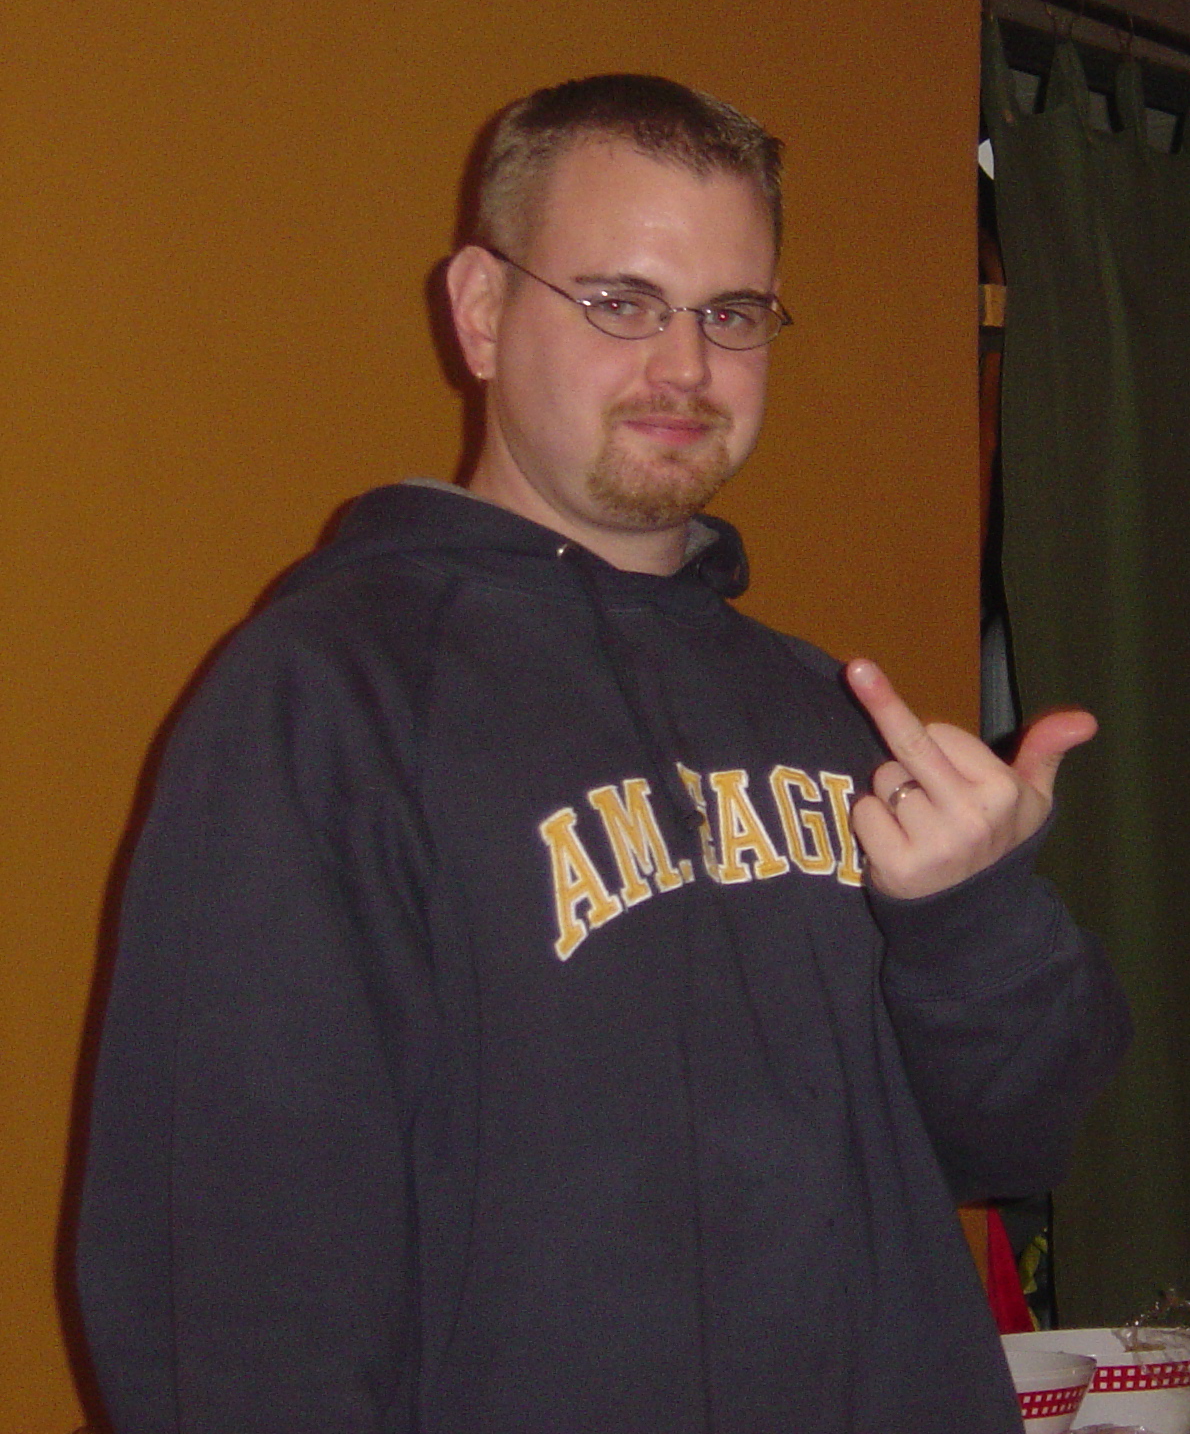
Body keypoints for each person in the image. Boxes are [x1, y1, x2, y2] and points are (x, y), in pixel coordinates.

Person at [77, 75, 1129, 1432]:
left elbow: (1014, 1139)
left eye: (731, 314)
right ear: (480, 311)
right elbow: (229, 1290)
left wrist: (973, 916)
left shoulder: (829, 716)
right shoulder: (327, 702)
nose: (685, 367)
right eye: (622, 301)